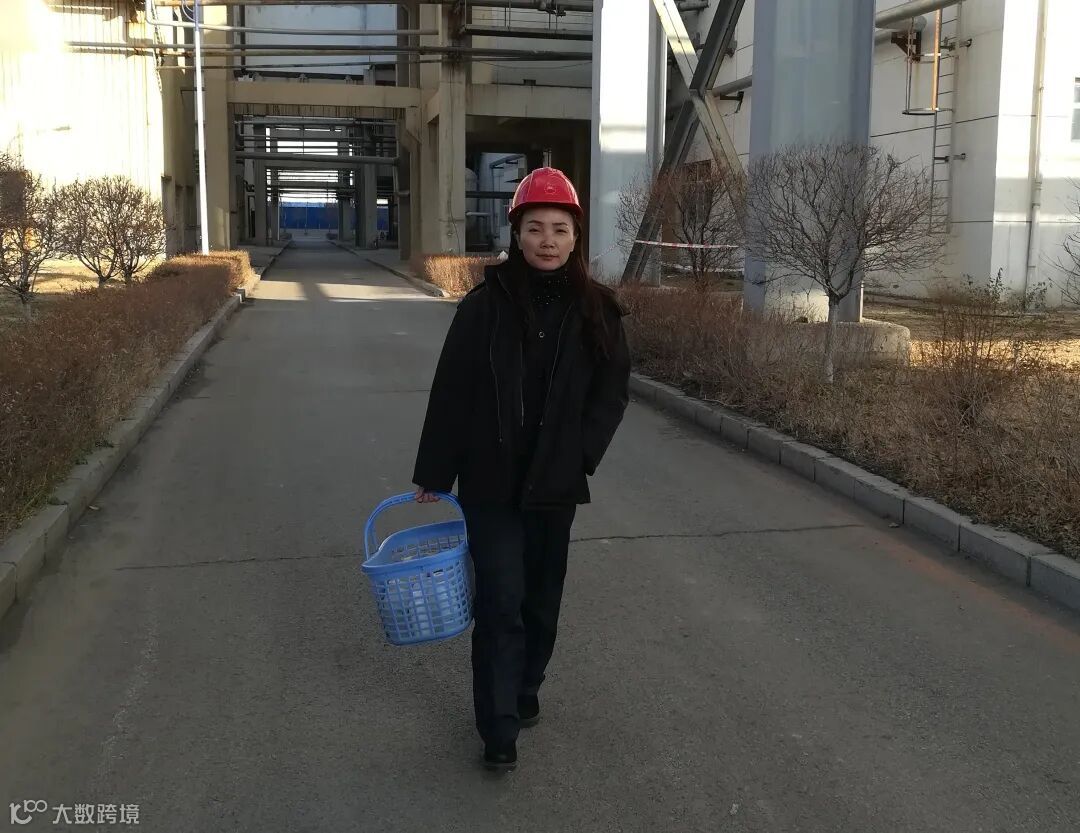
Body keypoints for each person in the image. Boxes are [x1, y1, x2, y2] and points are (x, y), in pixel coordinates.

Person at [411, 167, 631, 772]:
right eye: (535, 227)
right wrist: (435, 471)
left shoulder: (598, 310)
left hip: (555, 484)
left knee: (541, 599)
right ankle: (498, 726)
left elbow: (611, 394)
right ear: (516, 233)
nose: (547, 240)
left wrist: (581, 455)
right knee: (500, 600)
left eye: (560, 228)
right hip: (490, 482)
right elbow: (452, 390)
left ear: (576, 236)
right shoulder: (484, 307)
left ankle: (527, 686)